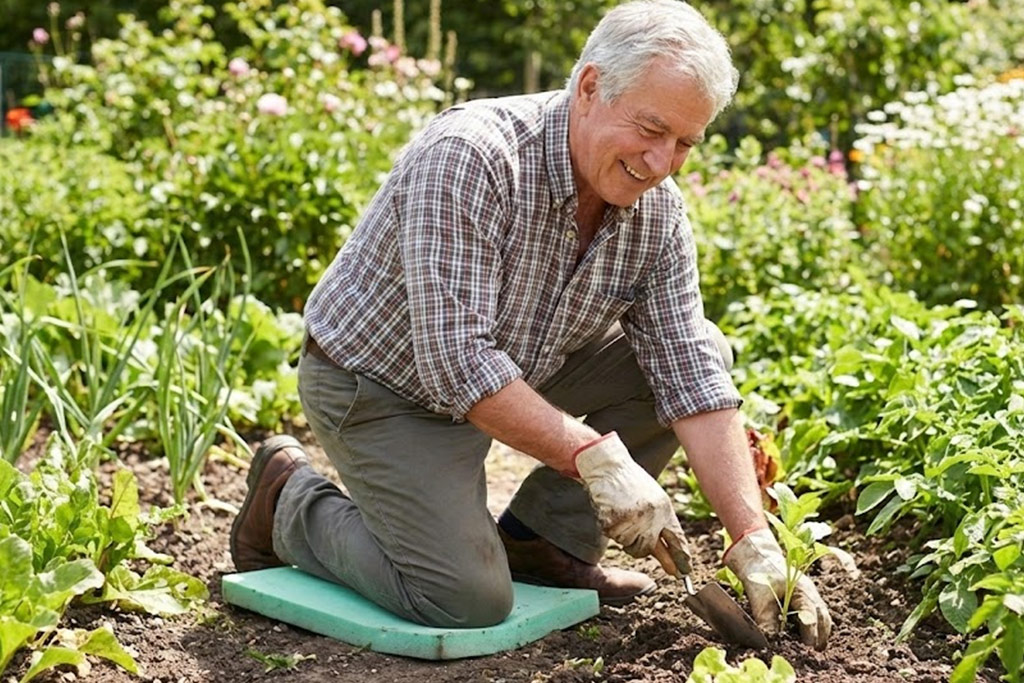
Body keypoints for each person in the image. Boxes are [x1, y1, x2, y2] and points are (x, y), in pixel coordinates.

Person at [230, 0, 832, 649]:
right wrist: (593, 457)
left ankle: (542, 540)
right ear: (591, 86)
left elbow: (690, 369)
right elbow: (456, 362)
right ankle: (288, 500)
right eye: (651, 129)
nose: (662, 162)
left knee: (704, 347)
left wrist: (752, 537)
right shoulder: (471, 156)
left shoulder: (655, 212)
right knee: (461, 599)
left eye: (684, 142)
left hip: (518, 367)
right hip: (382, 386)